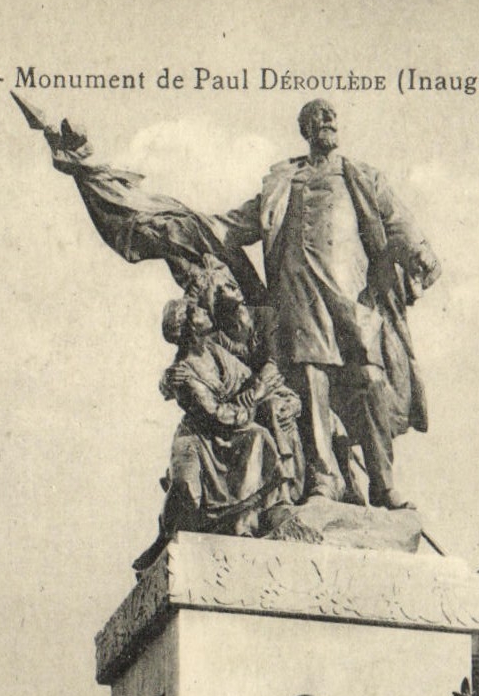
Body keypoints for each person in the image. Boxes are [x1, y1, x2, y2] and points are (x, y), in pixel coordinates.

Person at [217, 100, 441, 510]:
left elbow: (397, 221)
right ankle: (323, 478)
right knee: (312, 382)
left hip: (353, 297)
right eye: (319, 117)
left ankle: (383, 482)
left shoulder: (360, 176)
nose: (328, 121)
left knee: (371, 379)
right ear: (305, 128)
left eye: (332, 117)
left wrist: (420, 254)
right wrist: (201, 225)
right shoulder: (286, 182)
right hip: (301, 296)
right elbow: (236, 224)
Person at [151, 296, 295, 545]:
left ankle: (252, 516)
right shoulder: (183, 372)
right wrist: (253, 398)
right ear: (188, 327)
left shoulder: (214, 351)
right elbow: (216, 415)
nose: (204, 311)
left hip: (230, 430)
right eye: (195, 311)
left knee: (259, 436)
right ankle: (169, 534)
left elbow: (246, 378)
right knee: (189, 496)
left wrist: (278, 395)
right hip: (201, 439)